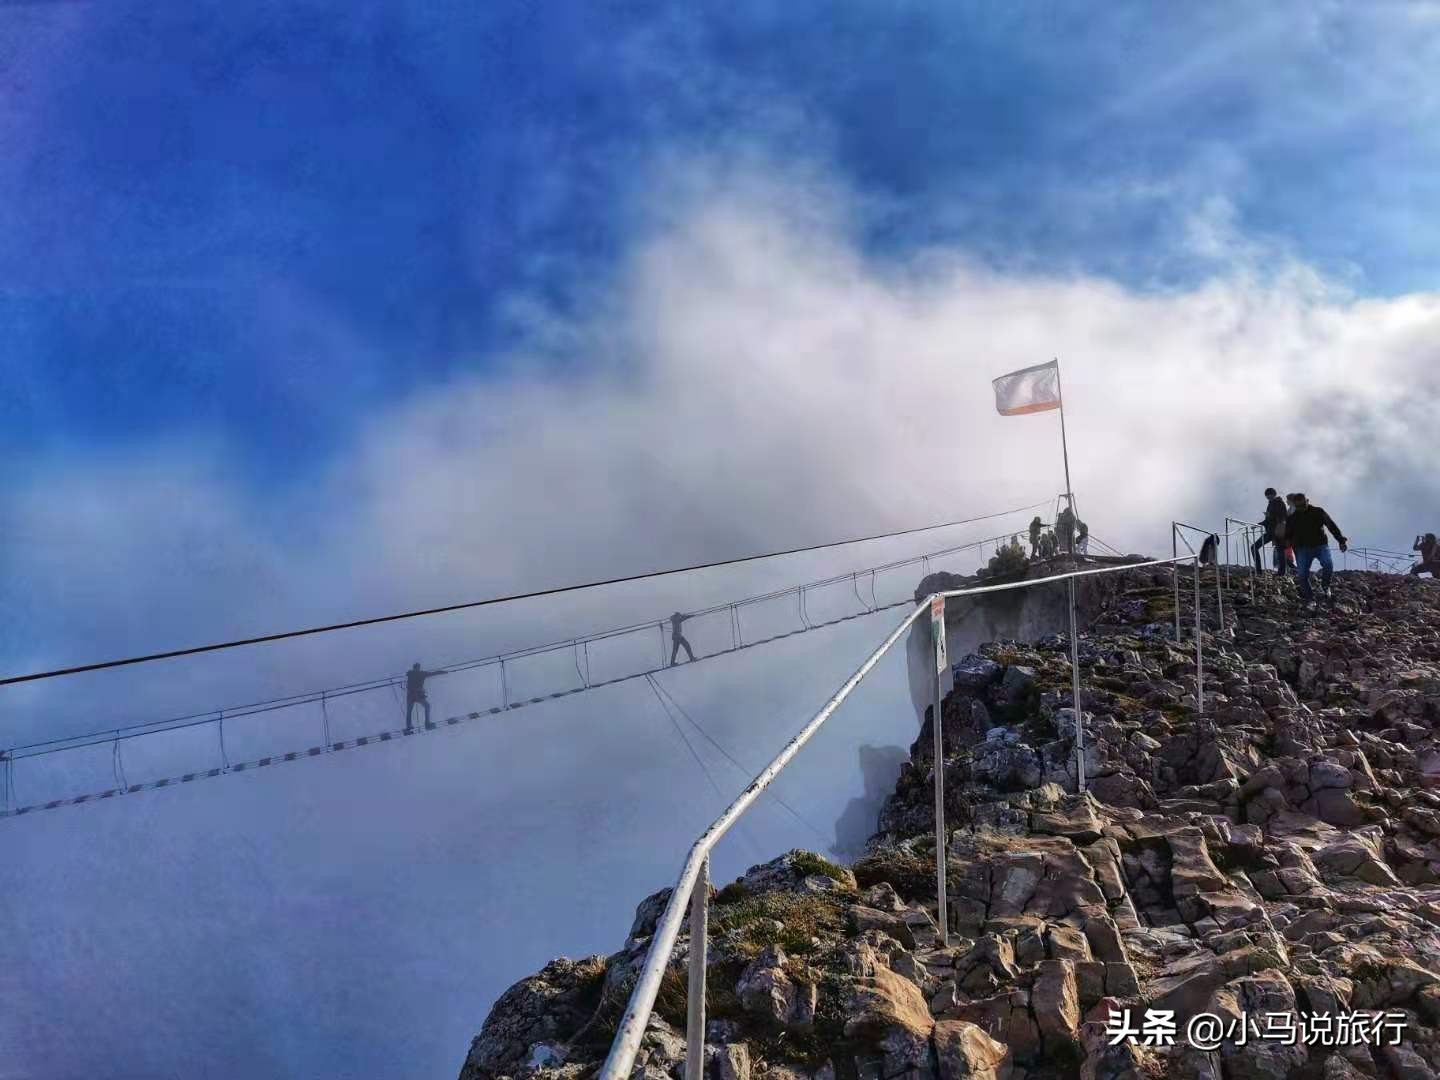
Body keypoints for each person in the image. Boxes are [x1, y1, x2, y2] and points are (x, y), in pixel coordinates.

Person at [1287, 493, 1347, 604]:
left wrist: (1341, 541)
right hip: (1303, 549)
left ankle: (1325, 587)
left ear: (1307, 501)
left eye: (1303, 505)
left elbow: (1331, 525)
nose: (1302, 508)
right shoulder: (1292, 518)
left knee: (1328, 564)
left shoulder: (1318, 512)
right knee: (1302, 575)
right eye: (1299, 506)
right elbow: (1288, 536)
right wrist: (1292, 549)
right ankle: (1310, 598)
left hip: (1320, 546)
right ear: (1295, 505)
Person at [1253, 487, 1288, 574]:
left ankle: (1281, 572)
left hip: (1277, 531)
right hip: (1272, 531)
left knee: (1280, 551)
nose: (1268, 497)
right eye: (1267, 496)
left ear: (1273, 495)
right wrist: (1258, 525)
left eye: (1269, 495)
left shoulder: (1279, 503)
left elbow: (1282, 517)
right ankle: (1259, 570)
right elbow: (1269, 520)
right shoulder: (1271, 504)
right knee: (1279, 551)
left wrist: (1269, 517)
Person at [404, 662, 445, 732]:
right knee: (427, 706)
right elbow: (433, 673)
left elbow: (408, 676)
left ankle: (409, 726)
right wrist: (442, 672)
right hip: (418, 695)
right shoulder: (422, 673)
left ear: (413, 668)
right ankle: (427, 723)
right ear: (419, 668)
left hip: (410, 695)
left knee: (409, 711)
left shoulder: (410, 674)